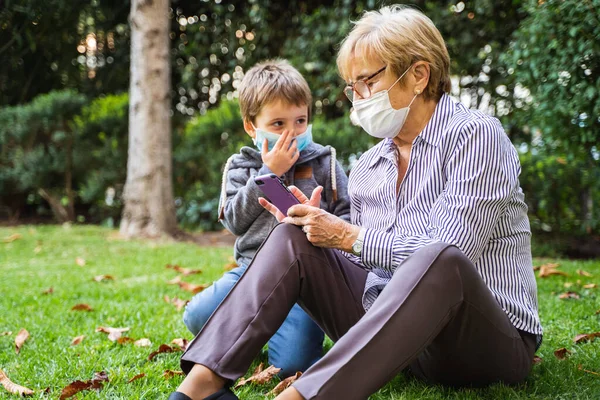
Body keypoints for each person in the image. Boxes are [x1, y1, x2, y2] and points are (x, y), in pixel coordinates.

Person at [169, 5, 542, 400]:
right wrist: (315, 227)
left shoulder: (476, 137)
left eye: (367, 82)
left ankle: (300, 398)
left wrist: (348, 235)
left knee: (442, 258)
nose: (357, 99)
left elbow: (453, 254)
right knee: (291, 236)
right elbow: (364, 263)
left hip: (480, 344)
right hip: (397, 341)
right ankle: (201, 387)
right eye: (352, 88)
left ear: (418, 75)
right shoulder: (368, 164)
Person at [181, 58, 351, 379]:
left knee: (291, 366)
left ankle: (272, 330)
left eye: (300, 121)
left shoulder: (324, 162)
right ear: (251, 127)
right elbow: (234, 220)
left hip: (306, 287)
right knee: (195, 316)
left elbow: (347, 217)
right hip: (250, 275)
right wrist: (267, 174)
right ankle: (260, 327)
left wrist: (321, 221)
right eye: (278, 125)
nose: (292, 133)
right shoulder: (240, 166)